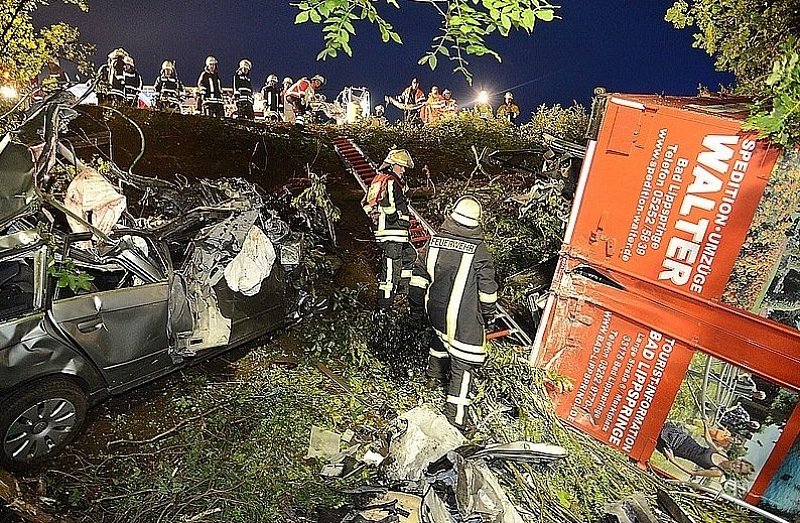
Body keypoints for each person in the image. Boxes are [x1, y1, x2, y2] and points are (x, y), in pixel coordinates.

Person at [409, 196, 499, 430]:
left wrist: (416, 308)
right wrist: (488, 316)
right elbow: (487, 291)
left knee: (440, 336)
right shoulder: (479, 251)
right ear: (476, 222)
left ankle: (433, 376)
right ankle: (456, 418)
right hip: (460, 317)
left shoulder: (434, 242)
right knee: (464, 363)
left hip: (434, 310)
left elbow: (418, 277)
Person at [362, 148, 416, 310]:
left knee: (410, 256)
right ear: (393, 165)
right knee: (391, 271)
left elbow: (366, 203)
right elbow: (387, 203)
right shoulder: (390, 181)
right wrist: (395, 217)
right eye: (401, 166)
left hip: (397, 233)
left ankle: (402, 292)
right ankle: (384, 306)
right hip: (392, 232)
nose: (403, 170)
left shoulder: (382, 181)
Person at [656, 420, 755, 479]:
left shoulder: (718, 472)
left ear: (737, 472)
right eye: (740, 464)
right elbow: (709, 441)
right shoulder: (723, 454)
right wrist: (705, 425)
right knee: (659, 423)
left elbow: (693, 472)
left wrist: (672, 460)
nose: (737, 465)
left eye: (739, 468)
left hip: (676, 448)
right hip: (685, 438)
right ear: (740, 460)